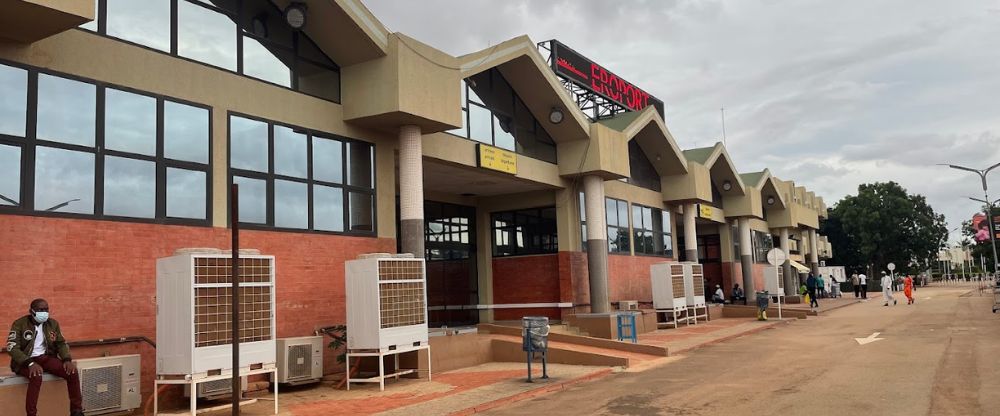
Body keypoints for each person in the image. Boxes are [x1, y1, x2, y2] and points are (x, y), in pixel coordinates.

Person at [7, 299, 82, 416]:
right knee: (36, 376)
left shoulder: (52, 324)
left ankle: (76, 411)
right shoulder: (19, 324)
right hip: (24, 361)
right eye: (40, 310)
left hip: (45, 358)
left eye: (46, 309)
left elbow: (61, 343)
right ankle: (31, 414)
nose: (44, 312)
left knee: (72, 372)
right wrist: (30, 363)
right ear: (31, 311)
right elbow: (12, 347)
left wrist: (67, 359)